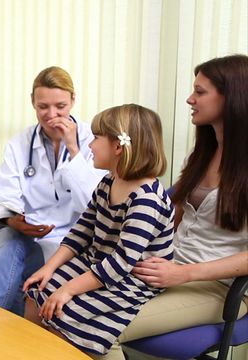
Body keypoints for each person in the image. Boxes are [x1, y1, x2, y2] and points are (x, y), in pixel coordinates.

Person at [102, 54, 248, 360]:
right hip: (168, 269)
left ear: (232, 96)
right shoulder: (199, 156)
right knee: (69, 305)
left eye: (200, 91)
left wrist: (184, 274)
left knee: (102, 329)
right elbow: (170, 218)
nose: (189, 99)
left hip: (216, 286)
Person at [22, 103, 174, 356]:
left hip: (132, 278)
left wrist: (67, 289)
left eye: (96, 138)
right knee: (35, 290)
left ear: (118, 147)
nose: (90, 145)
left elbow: (121, 262)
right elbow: (82, 230)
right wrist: (48, 268)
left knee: (64, 313)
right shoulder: (109, 181)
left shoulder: (147, 199)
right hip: (98, 264)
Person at [0, 66, 106, 316]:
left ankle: (4, 334)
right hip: (28, 232)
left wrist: (73, 148)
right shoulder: (20, 143)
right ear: (33, 103)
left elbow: (96, 203)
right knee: (6, 240)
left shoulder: (93, 140)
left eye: (60, 106)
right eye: (43, 106)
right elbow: (4, 194)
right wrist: (13, 220)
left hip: (75, 237)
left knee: (14, 279)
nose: (51, 114)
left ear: (73, 101)